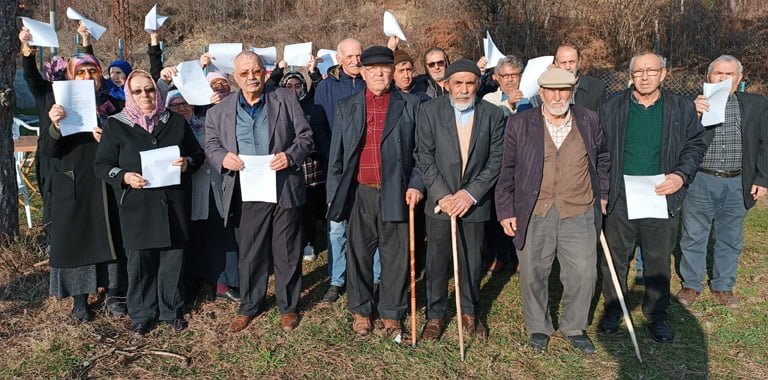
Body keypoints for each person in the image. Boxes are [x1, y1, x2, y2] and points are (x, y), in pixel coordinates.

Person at [495, 68, 610, 353]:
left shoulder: (589, 119)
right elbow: (506, 169)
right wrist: (506, 209)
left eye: (563, 90)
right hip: (534, 209)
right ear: (542, 93)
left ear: (571, 92)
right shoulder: (521, 123)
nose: (557, 96)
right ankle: (538, 327)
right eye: (551, 90)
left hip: (579, 208)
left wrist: (603, 194)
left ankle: (574, 326)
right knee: (533, 271)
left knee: (584, 273)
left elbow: (604, 159)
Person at [598, 51, 707, 344]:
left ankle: (656, 315)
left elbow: (696, 145)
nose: (644, 76)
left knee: (658, 259)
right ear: (630, 76)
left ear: (663, 74)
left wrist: (680, 176)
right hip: (621, 196)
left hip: (660, 194)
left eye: (651, 71)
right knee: (616, 258)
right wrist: (604, 190)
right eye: (638, 72)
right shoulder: (611, 106)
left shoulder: (680, 107)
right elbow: (600, 149)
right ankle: (613, 308)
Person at [204, 51, 313, 333]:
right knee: (251, 252)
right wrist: (222, 158)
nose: (252, 77)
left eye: (256, 71)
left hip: (283, 186)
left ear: (264, 72)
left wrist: (290, 156)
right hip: (247, 189)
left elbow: (305, 136)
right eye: (245, 73)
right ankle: (250, 305)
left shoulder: (285, 98)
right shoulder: (219, 111)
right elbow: (212, 145)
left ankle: (288, 306)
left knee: (287, 250)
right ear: (234, 77)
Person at [94, 70, 204, 335]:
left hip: (172, 203)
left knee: (172, 260)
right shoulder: (116, 124)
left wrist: (188, 163)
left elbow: (197, 154)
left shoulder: (175, 121)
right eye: (138, 91)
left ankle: (171, 310)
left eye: (150, 90)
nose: (145, 95)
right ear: (129, 95)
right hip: (137, 205)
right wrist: (124, 176)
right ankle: (142, 314)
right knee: (140, 262)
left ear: (157, 91)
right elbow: (101, 165)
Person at [326, 46, 423, 338]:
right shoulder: (347, 106)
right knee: (358, 253)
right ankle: (361, 310)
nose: (379, 73)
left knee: (395, 255)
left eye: (385, 68)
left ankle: (392, 312)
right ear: (364, 73)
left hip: (397, 191)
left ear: (392, 71)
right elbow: (337, 157)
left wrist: (417, 184)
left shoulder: (410, 104)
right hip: (360, 192)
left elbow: (421, 153)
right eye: (373, 69)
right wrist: (334, 193)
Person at [416, 59, 505, 341]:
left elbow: (495, 160)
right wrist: (445, 195)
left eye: (470, 83)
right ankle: (435, 314)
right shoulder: (429, 111)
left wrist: (469, 194)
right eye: (458, 83)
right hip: (441, 203)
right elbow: (425, 157)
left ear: (478, 85)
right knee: (437, 260)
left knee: (472, 258)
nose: (464, 90)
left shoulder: (493, 115)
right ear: (447, 85)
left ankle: (469, 310)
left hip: (474, 203)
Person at [38, 50, 126, 322]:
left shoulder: (114, 102)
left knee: (113, 237)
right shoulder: (60, 105)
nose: (88, 77)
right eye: (81, 72)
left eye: (93, 72)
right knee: (79, 240)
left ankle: (114, 294)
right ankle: (80, 300)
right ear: (70, 75)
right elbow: (49, 150)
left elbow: (131, 140)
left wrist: (109, 136)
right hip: (74, 180)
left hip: (106, 182)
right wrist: (54, 124)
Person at [677, 55, 768, 308]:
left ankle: (723, 285)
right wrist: (692, 113)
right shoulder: (690, 105)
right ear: (708, 77)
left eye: (729, 74)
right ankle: (691, 284)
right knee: (694, 234)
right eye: (718, 73)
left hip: (738, 181)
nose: (723, 78)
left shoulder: (756, 104)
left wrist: (763, 178)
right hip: (701, 179)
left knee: (730, 236)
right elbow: (676, 142)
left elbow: (765, 143)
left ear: (739, 79)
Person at [164, 90, 241, 303]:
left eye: (184, 103)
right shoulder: (167, 130)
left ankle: (224, 282)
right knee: (195, 238)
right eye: (174, 105)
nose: (181, 108)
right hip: (188, 190)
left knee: (221, 234)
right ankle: (197, 281)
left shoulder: (207, 122)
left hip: (215, 186)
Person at [313, 38, 367, 303]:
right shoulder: (326, 87)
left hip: (367, 164)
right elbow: (319, 125)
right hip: (338, 165)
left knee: (369, 225)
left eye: (359, 55)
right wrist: (332, 155)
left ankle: (372, 277)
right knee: (336, 226)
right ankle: (336, 279)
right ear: (339, 57)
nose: (355, 60)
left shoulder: (371, 82)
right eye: (350, 56)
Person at [279, 68, 329, 261]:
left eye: (297, 86)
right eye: (289, 86)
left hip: (310, 167)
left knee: (308, 208)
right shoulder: (279, 106)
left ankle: (309, 242)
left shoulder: (311, 105)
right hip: (286, 166)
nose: (293, 90)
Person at [530, 43, 605, 112]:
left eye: (572, 62)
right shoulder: (545, 87)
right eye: (563, 63)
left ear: (579, 62)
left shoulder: (596, 87)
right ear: (556, 63)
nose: (568, 67)